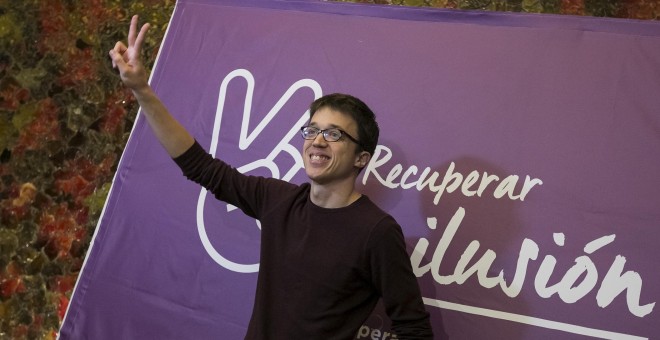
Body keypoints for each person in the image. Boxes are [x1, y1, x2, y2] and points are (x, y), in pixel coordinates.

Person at [109, 15, 433, 339]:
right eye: (312, 130)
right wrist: (141, 90)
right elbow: (199, 166)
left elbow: (413, 328)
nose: (317, 141)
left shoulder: (376, 233)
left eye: (334, 134)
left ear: (361, 157)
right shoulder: (278, 200)